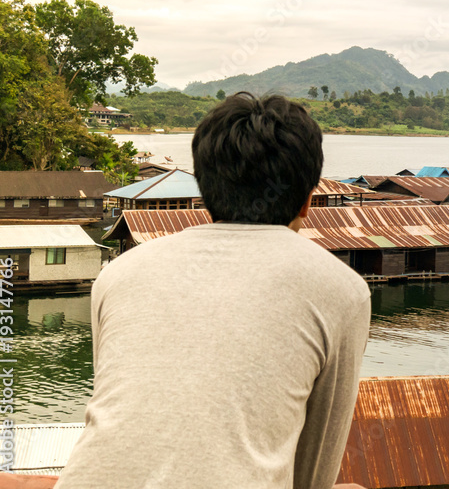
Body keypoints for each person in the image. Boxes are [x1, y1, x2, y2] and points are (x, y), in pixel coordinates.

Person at [57, 93, 371, 489]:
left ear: (205, 194)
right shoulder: (342, 289)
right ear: (309, 199)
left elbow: (113, 405)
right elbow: (314, 472)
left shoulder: (118, 272)